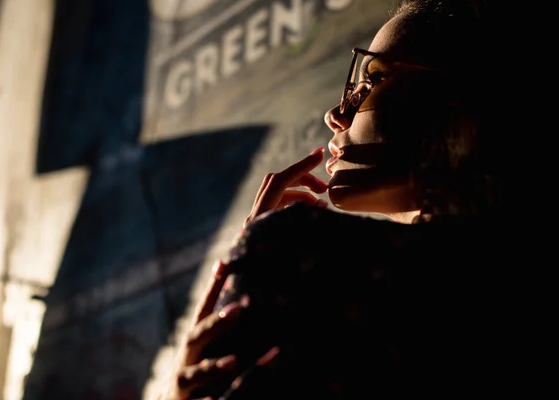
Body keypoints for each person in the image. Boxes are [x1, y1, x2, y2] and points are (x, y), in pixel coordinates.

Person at [164, 0, 514, 398]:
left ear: (461, 100)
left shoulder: (295, 253)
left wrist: (254, 259)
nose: (337, 113)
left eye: (373, 80)